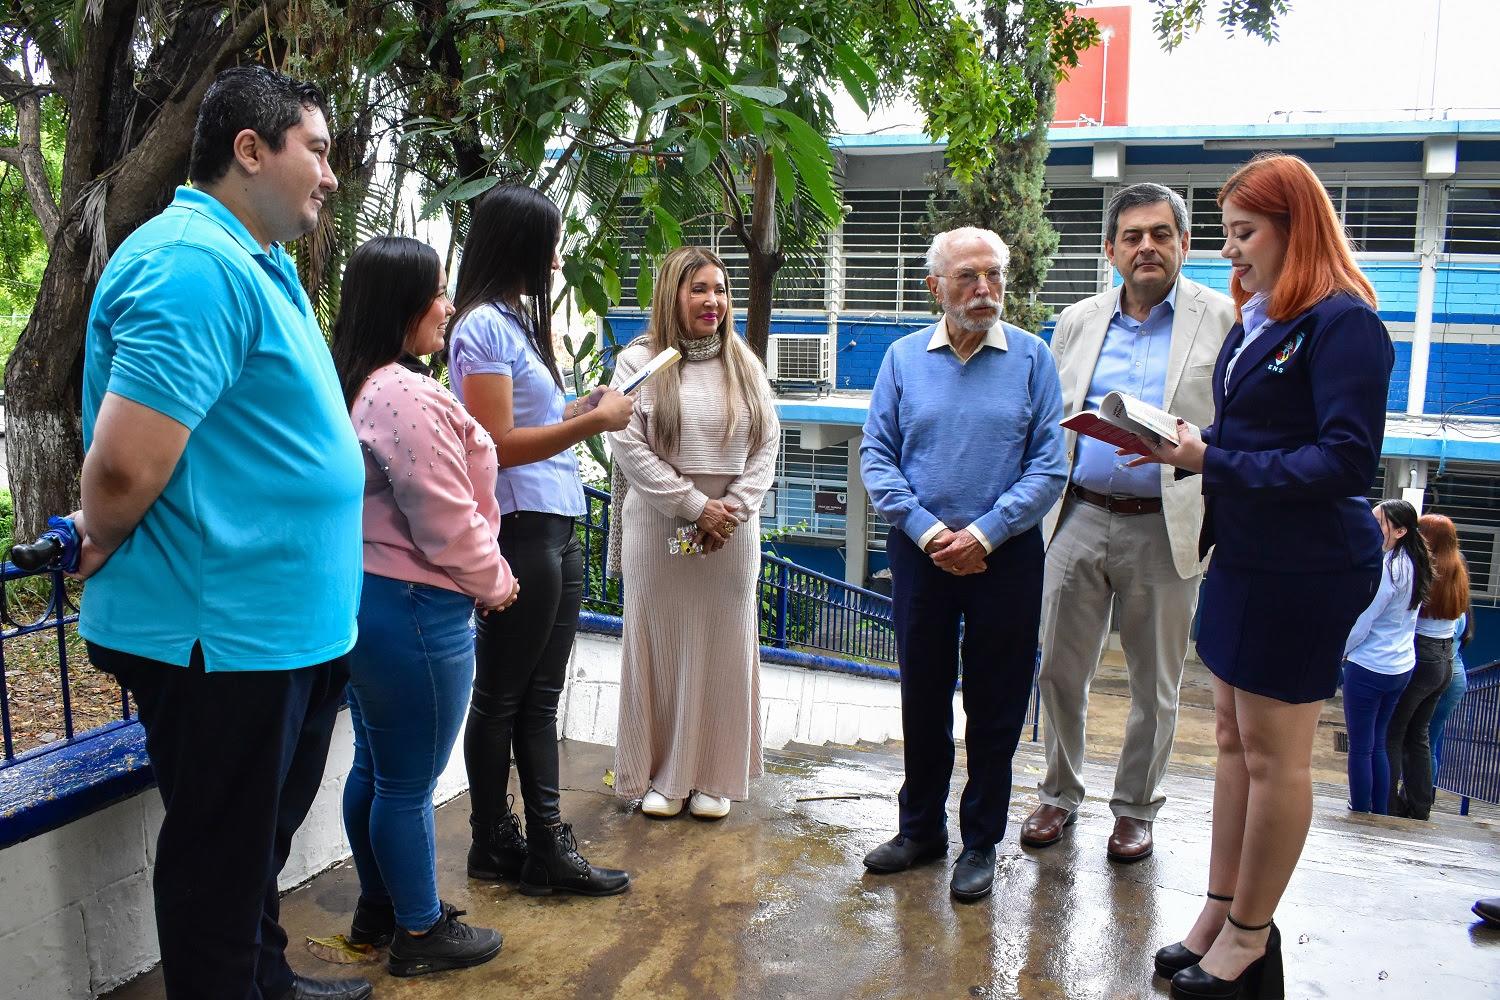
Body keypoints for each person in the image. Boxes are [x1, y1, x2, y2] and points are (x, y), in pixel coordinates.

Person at [74, 67, 373, 1000]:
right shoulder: (193, 264)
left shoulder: (254, 260)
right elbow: (124, 465)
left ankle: (265, 983)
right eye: (316, 151)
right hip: (222, 636)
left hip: (282, 629)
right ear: (251, 150)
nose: (330, 174)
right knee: (217, 866)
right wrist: (98, 535)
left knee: (255, 846)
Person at [1136, 154, 1393, 999]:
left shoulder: (1343, 321)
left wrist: (1213, 458)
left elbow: (1347, 459)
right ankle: (1218, 910)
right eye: (1229, 236)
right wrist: (1194, 446)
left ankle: (1249, 935)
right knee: (1231, 744)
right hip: (1246, 556)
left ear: (1294, 227)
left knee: (1277, 757)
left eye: (1244, 235)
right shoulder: (1267, 321)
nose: (1232, 253)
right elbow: (1258, 438)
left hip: (1308, 565)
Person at [1023, 183, 1234, 863]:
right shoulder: (1079, 319)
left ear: (1183, 244)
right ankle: (1058, 794)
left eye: (1162, 234)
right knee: (1058, 669)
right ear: (1111, 250)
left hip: (1166, 524)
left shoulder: (1223, 320)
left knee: (1156, 684)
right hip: (1078, 517)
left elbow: (1237, 427)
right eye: (1134, 236)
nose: (1148, 246)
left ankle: (1136, 808)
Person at [859, 226, 1067, 903]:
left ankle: (979, 841)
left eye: (994, 276)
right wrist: (927, 532)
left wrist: (983, 532)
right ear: (935, 287)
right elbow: (877, 457)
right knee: (922, 694)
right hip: (920, 556)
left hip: (1005, 557)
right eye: (968, 277)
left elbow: (1049, 465)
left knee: (997, 702)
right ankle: (920, 830)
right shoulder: (899, 358)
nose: (984, 290)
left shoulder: (1033, 359)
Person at [329, 236, 519, 976]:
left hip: (375, 602)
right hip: (416, 610)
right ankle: (420, 933)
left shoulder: (357, 383)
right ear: (400, 305)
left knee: (376, 770)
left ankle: (381, 909)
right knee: (406, 785)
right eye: (436, 294)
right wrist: (496, 582)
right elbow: (443, 519)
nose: (447, 307)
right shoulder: (401, 394)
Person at [450, 184, 633, 896]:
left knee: (539, 695)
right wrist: (593, 424)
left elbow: (533, 420)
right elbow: (495, 444)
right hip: (521, 526)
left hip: (556, 523)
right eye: (550, 245)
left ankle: (544, 844)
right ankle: (497, 840)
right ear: (519, 245)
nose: (558, 261)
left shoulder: (515, 325)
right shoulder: (481, 329)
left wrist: (580, 407)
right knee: (500, 695)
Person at [607, 246, 780, 820]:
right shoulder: (641, 362)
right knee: (660, 648)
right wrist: (693, 505)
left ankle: (714, 776)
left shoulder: (744, 363)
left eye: (721, 290)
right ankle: (662, 775)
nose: (714, 301)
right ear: (671, 294)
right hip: (663, 532)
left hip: (729, 535)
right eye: (699, 289)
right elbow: (626, 443)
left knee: (723, 648)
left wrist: (731, 507)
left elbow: (768, 444)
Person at [1340, 500, 1431, 814]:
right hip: (1399, 666)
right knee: (1378, 742)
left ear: (1401, 531)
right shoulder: (1413, 563)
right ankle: (1379, 809)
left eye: (1380, 522)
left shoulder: (1387, 569)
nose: (1372, 525)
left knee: (1361, 746)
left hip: (1369, 666)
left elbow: (1363, 622)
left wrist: (1341, 652)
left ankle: (1360, 807)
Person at [1386, 512, 1470, 820]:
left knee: (1393, 733)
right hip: (1445, 658)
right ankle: (1421, 806)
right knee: (1419, 734)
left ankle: (1388, 804)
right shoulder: (1458, 570)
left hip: (1422, 656)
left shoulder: (1425, 570)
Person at [1429, 604, 1472, 774]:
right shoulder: (1462, 607)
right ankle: (1421, 797)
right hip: (1454, 674)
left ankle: (1409, 797)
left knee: (1415, 741)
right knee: (1427, 743)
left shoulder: (1446, 607)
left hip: (1440, 675)